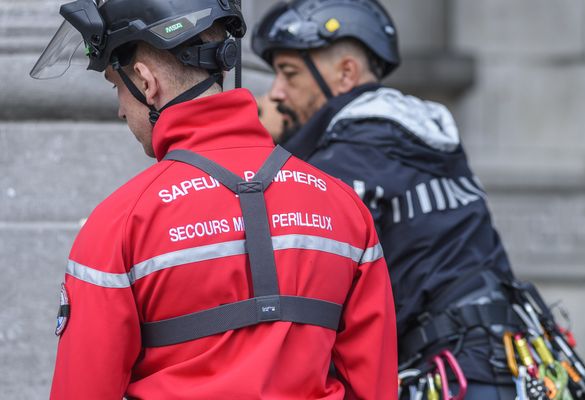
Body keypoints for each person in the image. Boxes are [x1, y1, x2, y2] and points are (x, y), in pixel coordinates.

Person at [32, 0, 398, 398]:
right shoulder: (344, 208)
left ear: (145, 80)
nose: (121, 110)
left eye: (115, 86)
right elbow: (374, 385)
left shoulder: (121, 222)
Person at [252, 1, 522, 398]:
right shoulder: (420, 137)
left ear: (346, 73)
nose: (276, 94)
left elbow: (307, 301)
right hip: (506, 361)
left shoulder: (347, 158)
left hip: (454, 373)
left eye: (289, 74)